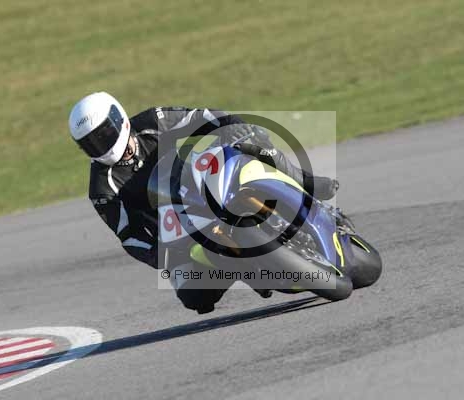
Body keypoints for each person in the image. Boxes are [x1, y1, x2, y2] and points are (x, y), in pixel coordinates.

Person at [68, 91, 338, 314]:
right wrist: (161, 255)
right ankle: (248, 271)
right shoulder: (102, 188)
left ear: (120, 120)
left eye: (103, 135)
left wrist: (231, 125)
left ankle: (305, 182)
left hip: (203, 183)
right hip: (179, 234)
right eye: (90, 144)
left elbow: (201, 117)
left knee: (253, 142)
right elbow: (129, 236)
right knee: (194, 297)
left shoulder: (152, 121)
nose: (100, 145)